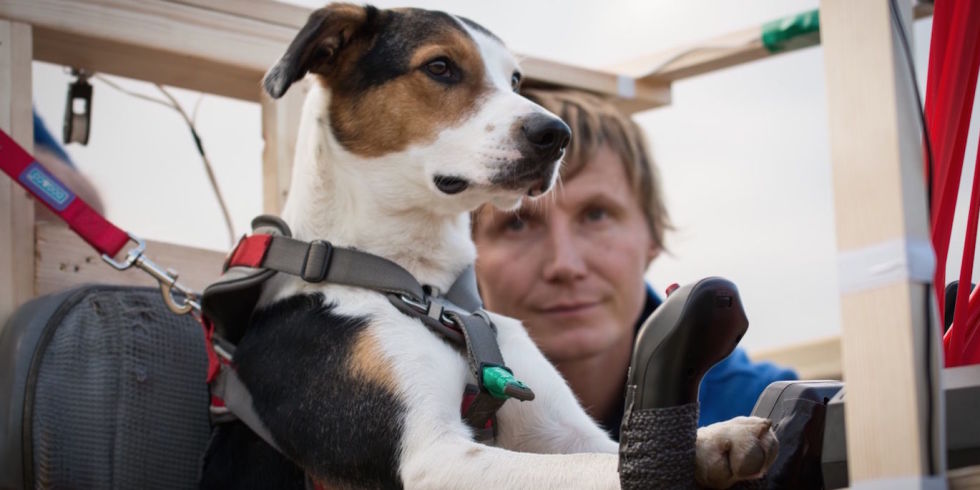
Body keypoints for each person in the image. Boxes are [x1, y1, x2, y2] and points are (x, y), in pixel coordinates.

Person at [471, 88, 796, 439]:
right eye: (517, 223)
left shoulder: (770, 415)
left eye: (596, 215)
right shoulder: (427, 428)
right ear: (464, 254)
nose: (564, 264)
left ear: (653, 235)